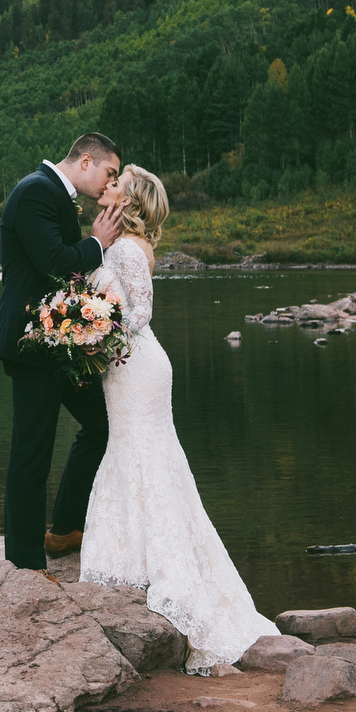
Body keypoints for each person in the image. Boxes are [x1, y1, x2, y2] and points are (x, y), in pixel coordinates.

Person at [78, 164, 278, 672]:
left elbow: (139, 314)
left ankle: (150, 567)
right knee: (139, 452)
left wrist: (91, 322)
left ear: (131, 201)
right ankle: (138, 559)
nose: (110, 184)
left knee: (140, 452)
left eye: (118, 181)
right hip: (129, 363)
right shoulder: (124, 245)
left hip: (135, 363)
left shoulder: (125, 250)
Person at [0, 133, 123, 573]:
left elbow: (63, 275)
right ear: (86, 160)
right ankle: (25, 564)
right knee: (32, 453)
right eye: (109, 173)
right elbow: (55, 261)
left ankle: (64, 528)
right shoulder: (35, 191)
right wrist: (98, 242)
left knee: (102, 423)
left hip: (56, 345)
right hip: (31, 345)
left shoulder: (53, 194)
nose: (108, 184)